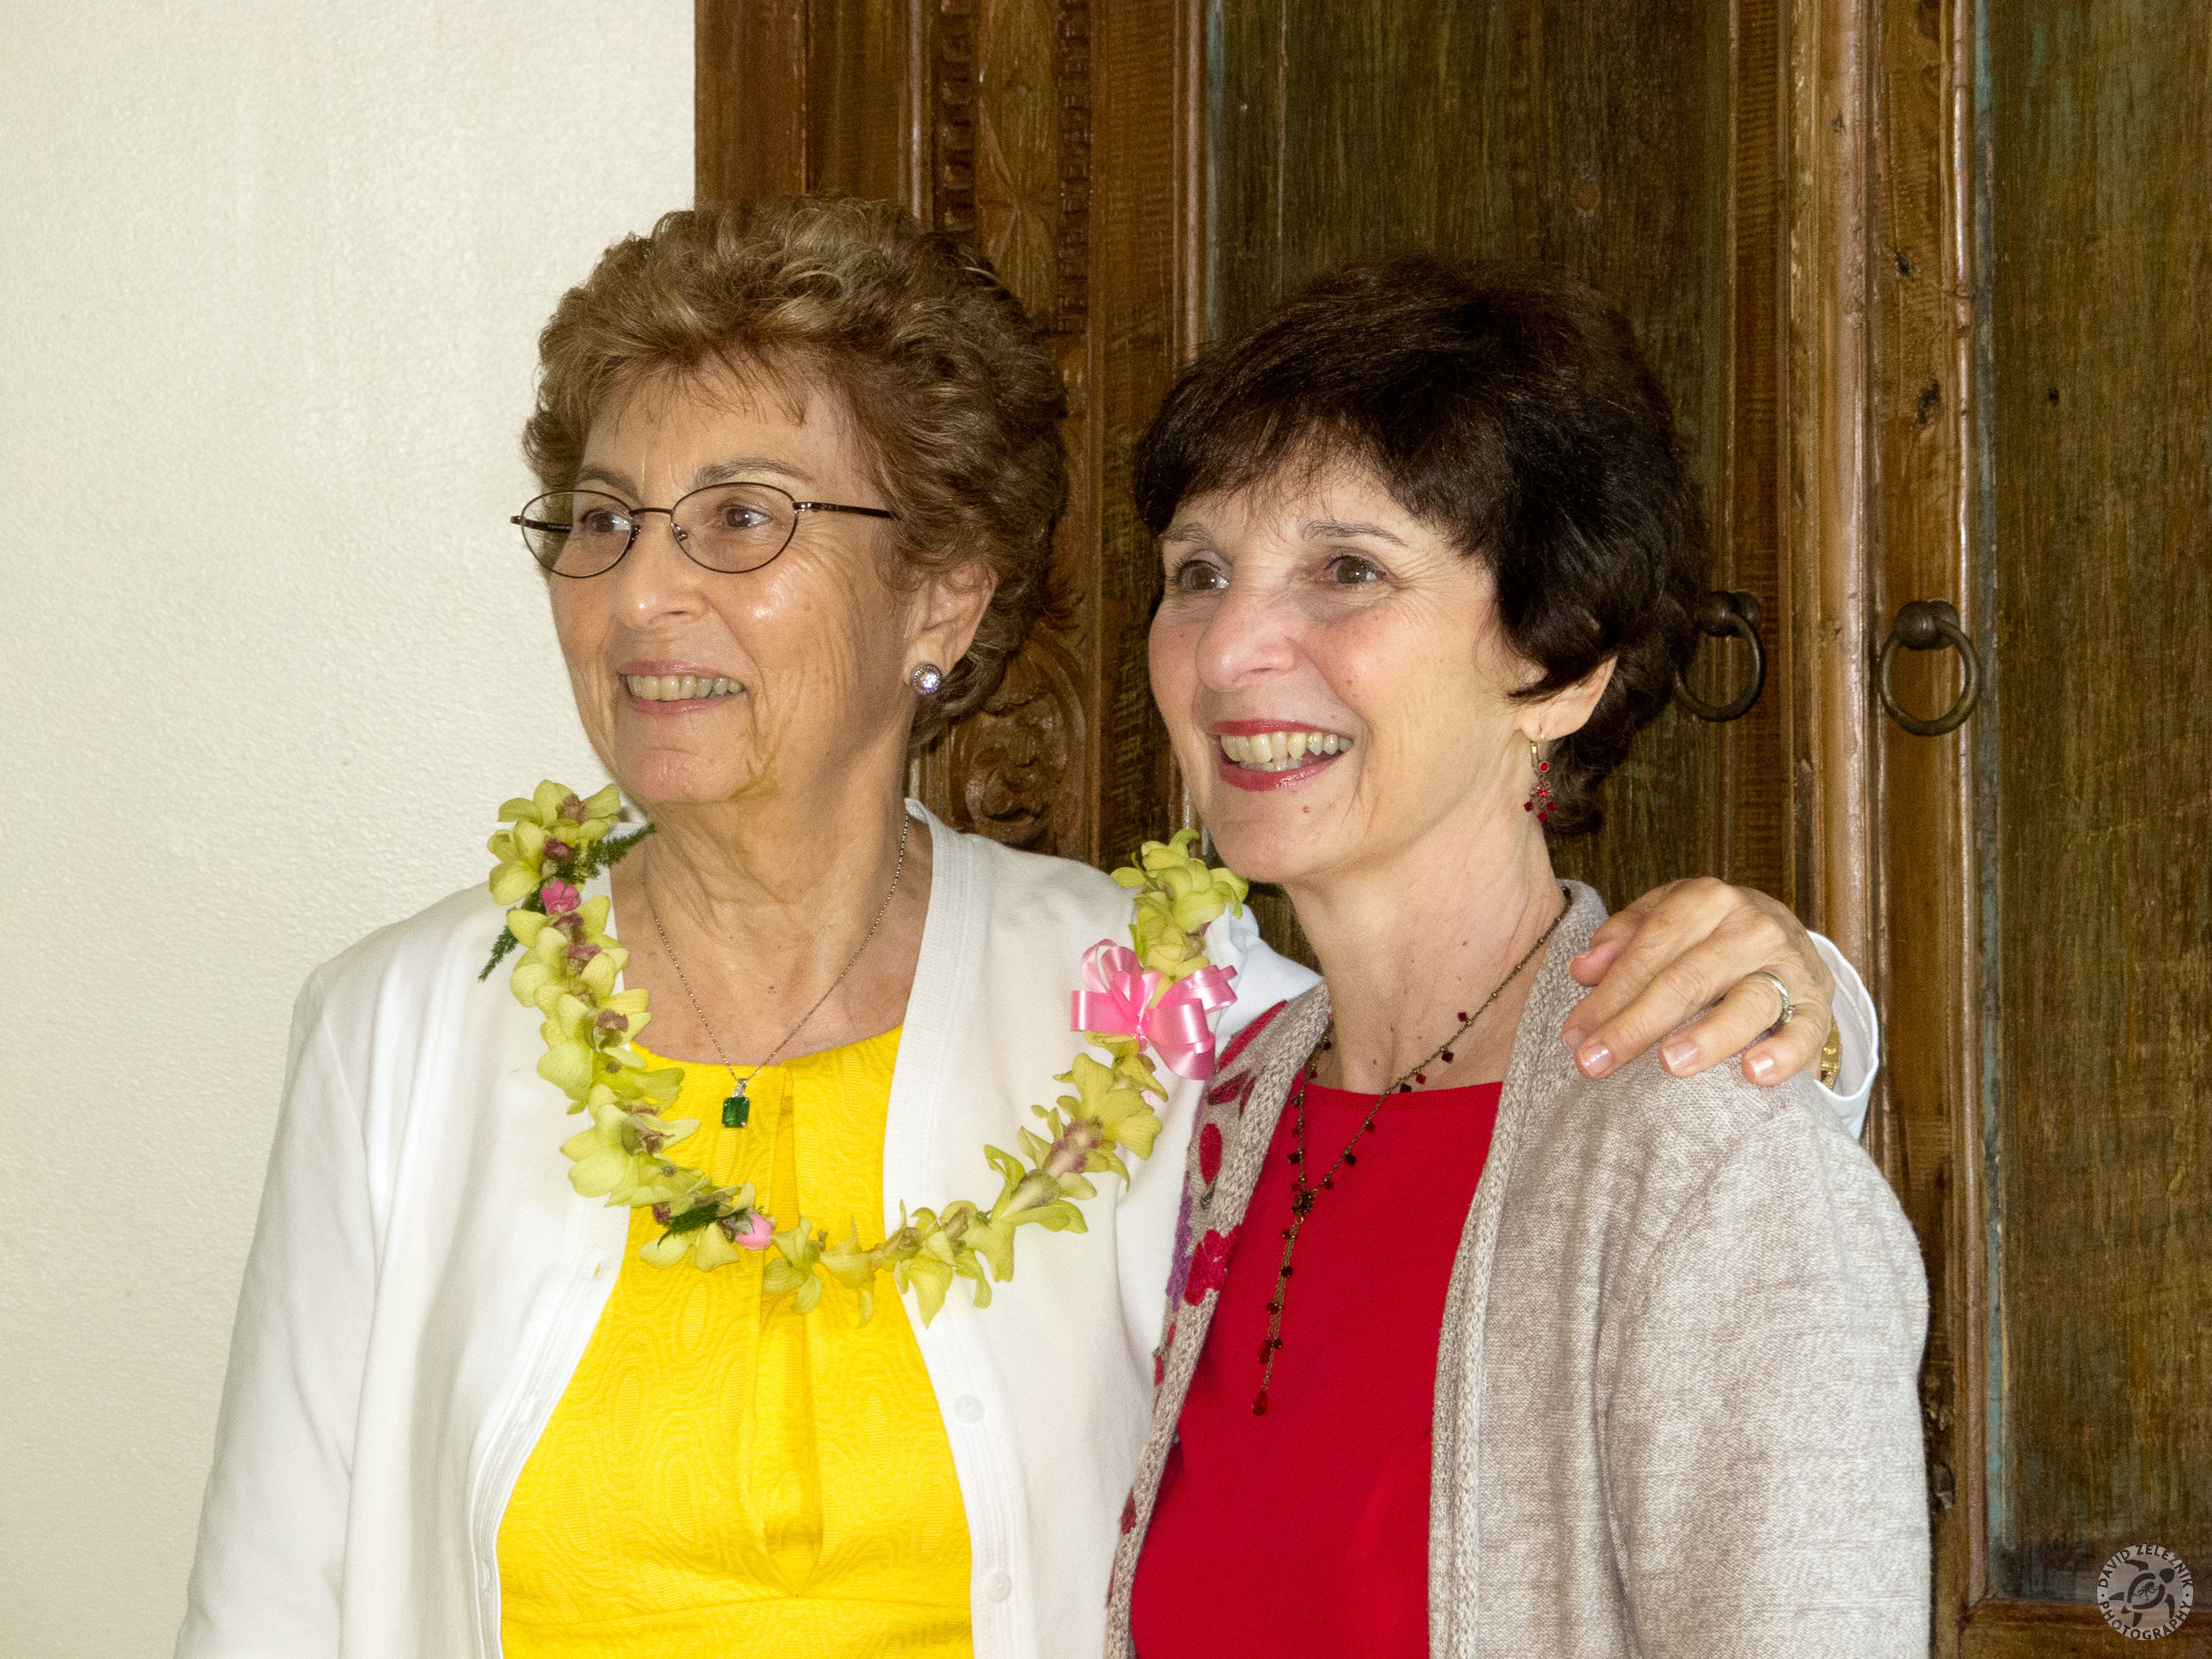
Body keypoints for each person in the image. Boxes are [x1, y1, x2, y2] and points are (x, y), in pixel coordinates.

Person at [176, 201, 1882, 1659]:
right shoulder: (402, 1026)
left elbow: (1600, 1115)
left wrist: (1798, 1004)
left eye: (742, 519)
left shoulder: (1143, 1005)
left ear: (942, 593)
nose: (642, 592)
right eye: (603, 522)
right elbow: (267, 1602)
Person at [1110, 256, 1928, 1657]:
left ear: (1560, 667)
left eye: (1348, 570)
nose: (1228, 647)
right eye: (1198, 573)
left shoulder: (1706, 1157)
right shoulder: (1226, 1105)